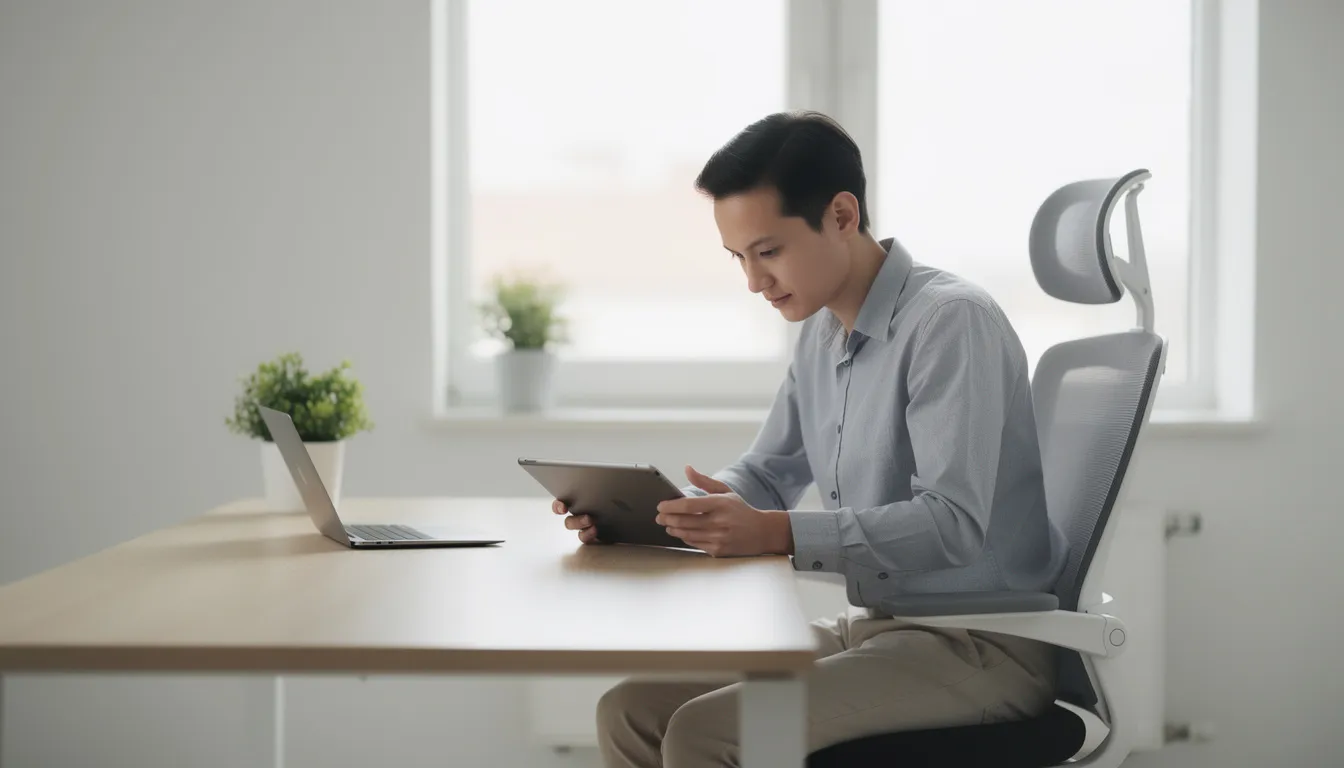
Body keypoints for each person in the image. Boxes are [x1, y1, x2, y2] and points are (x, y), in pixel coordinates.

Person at [551, 110, 1070, 768]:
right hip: (883, 631)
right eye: (739, 257)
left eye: (768, 251)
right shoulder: (823, 334)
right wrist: (662, 513)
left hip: (980, 647)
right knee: (630, 710)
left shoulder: (949, 322)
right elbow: (767, 473)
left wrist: (776, 533)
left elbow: (952, 524)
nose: (753, 281)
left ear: (843, 215)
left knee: (706, 734)